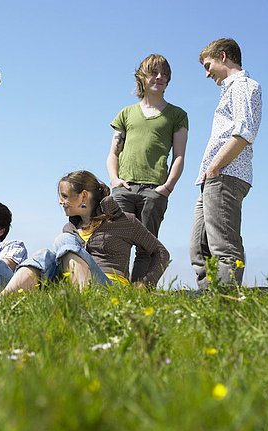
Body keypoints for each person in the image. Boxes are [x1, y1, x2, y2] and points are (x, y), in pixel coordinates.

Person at [1, 171, 169, 295]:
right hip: (69, 287)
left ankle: (86, 298)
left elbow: (161, 252)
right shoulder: (70, 228)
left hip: (109, 288)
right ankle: (3, 300)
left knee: (64, 240)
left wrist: (144, 284)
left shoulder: (124, 221)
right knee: (43, 255)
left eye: (65, 196)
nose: (61, 202)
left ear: (83, 196)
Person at [106, 54, 188, 283]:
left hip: (155, 191)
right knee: (117, 245)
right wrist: (114, 181)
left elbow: (179, 156)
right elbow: (113, 152)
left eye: (164, 73)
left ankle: (139, 295)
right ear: (142, 77)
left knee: (146, 249)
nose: (159, 77)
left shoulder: (177, 115)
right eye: (154, 72)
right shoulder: (126, 113)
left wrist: (166, 188)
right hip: (124, 187)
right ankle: (115, 293)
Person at [189, 38, 262, 288]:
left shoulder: (243, 85)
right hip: (213, 177)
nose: (207, 74)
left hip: (226, 174)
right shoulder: (229, 90)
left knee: (224, 248)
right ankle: (207, 304)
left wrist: (215, 167)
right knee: (199, 248)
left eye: (208, 66)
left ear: (223, 56)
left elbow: (244, 133)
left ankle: (224, 307)